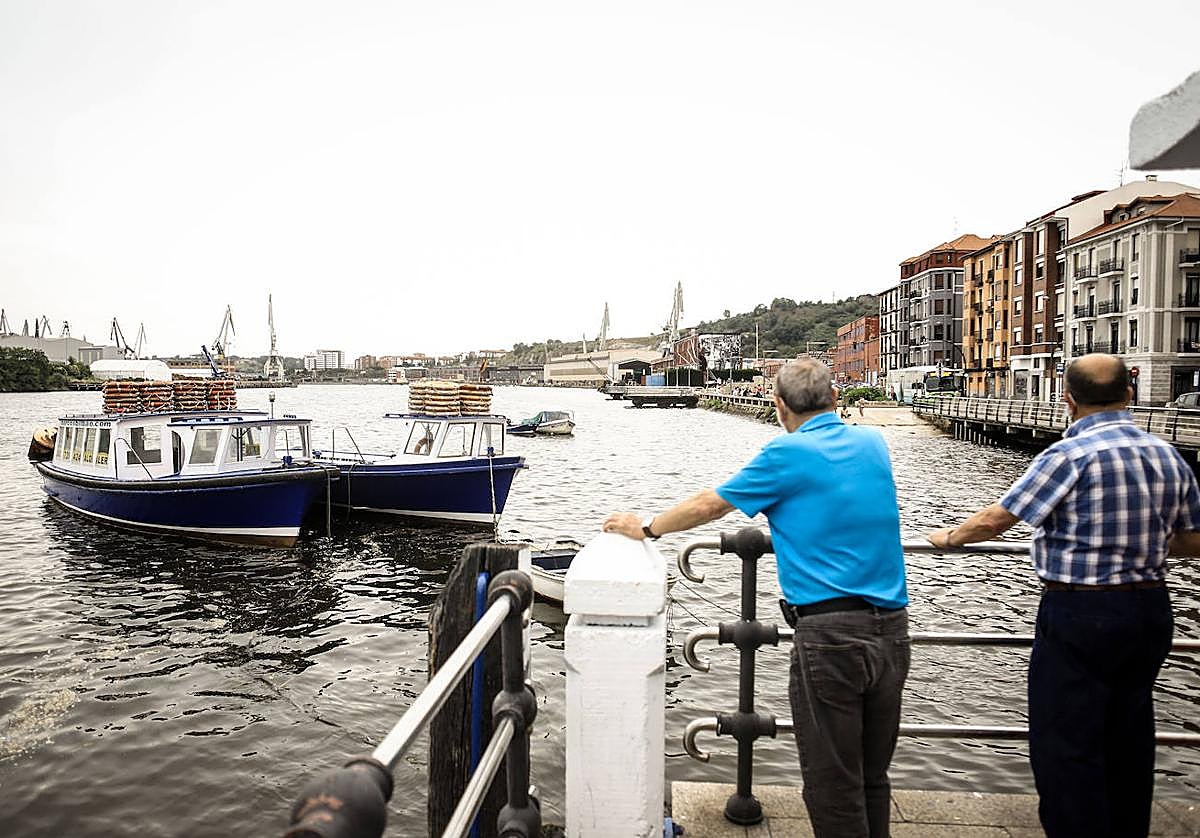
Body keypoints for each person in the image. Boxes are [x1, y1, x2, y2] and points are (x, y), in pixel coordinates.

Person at [604, 358, 909, 838]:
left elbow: (710, 504)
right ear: (835, 399)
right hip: (891, 629)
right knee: (873, 775)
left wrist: (644, 527)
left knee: (833, 783)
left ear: (779, 405)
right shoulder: (873, 443)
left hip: (831, 637)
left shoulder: (786, 454)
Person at [926, 353, 1200, 838]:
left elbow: (999, 519)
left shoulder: (1067, 456)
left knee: (1066, 739)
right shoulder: (1166, 455)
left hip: (1082, 609)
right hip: (1150, 607)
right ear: (1129, 394)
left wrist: (949, 538)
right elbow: (1191, 541)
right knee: (1129, 733)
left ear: (1067, 399)